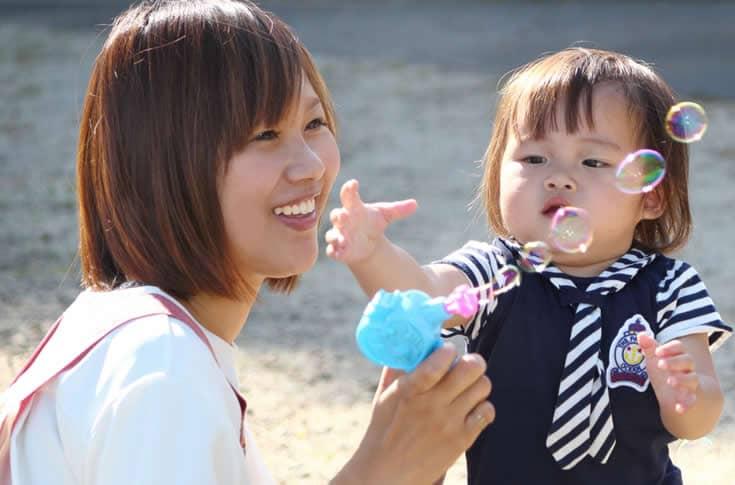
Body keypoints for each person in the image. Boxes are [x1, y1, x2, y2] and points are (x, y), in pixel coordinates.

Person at [0, 1, 495, 484]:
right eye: (263, 134)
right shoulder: (159, 367)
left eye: (314, 124)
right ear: (166, 165)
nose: (312, 166)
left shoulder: (126, 331)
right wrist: (380, 472)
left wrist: (409, 460)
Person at [326, 47, 733, 484]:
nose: (558, 176)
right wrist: (372, 253)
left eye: (593, 161)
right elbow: (421, 294)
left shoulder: (670, 287)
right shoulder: (493, 271)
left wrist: (683, 395)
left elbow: (698, 419)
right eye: (534, 158)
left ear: (651, 196)